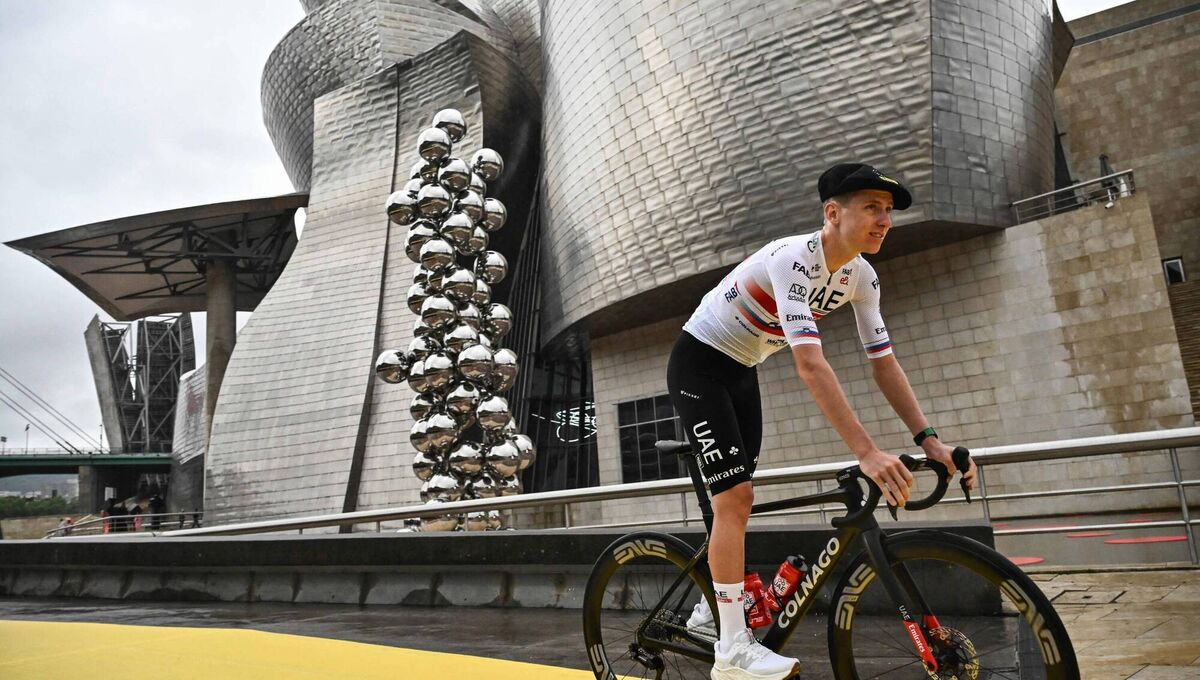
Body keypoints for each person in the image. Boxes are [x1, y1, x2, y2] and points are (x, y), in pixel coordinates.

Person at [666, 163, 978, 680]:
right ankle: (731, 650)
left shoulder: (861, 276)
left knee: (734, 501)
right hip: (699, 363)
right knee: (735, 499)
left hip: (742, 370)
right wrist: (866, 452)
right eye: (872, 208)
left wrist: (930, 441)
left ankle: (708, 607)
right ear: (832, 213)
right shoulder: (793, 260)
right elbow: (811, 364)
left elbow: (883, 362)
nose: (885, 220)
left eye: (889, 211)